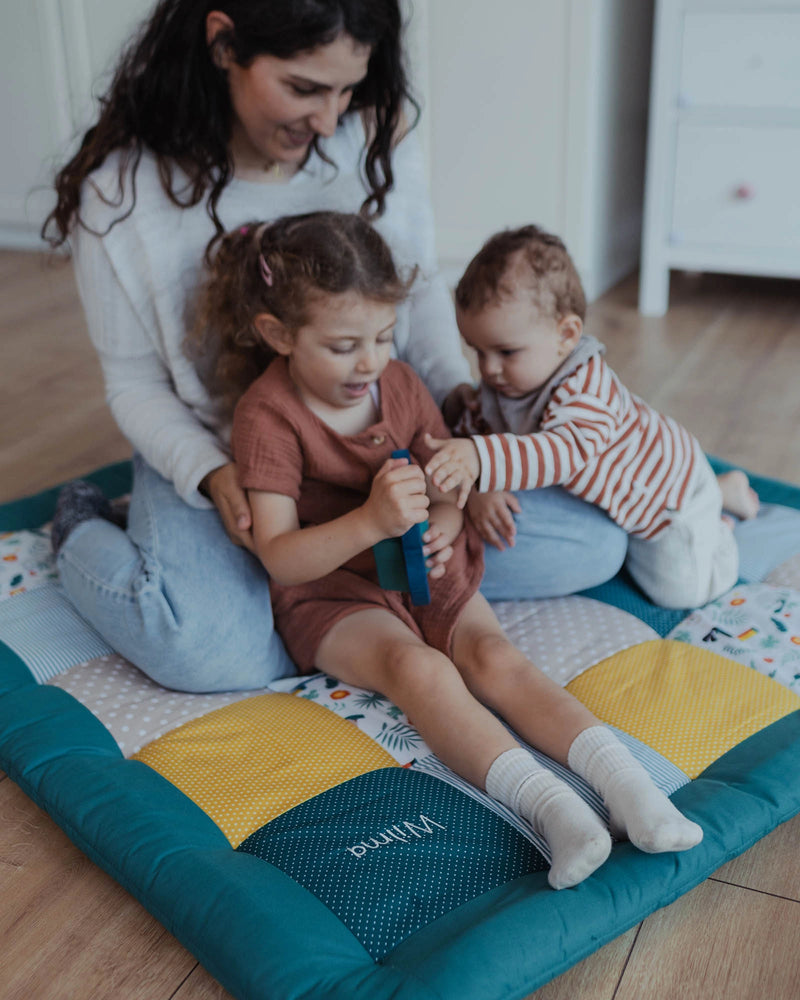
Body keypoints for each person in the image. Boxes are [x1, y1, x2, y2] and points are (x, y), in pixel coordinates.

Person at [43, 0, 626, 693]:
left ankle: (320, 590)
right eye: (304, 88)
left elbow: (423, 290)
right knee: (208, 651)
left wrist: (454, 438)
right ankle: (81, 524)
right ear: (224, 43)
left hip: (370, 447)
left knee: (593, 545)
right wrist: (208, 473)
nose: (328, 120)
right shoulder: (120, 194)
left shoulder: (367, 137)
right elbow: (134, 384)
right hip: (228, 460)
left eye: (347, 88)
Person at [201, 210, 703, 889]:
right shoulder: (268, 416)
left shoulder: (399, 384)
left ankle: (631, 789)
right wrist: (370, 522)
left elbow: (444, 474)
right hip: (332, 592)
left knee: (495, 656)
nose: (370, 361)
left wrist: (444, 514)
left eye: (383, 336)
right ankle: (555, 812)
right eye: (345, 344)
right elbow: (280, 557)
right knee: (422, 672)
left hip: (422, 564)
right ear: (278, 335)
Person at [425, 225, 761, 610]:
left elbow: (562, 453)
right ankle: (722, 489)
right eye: (477, 351)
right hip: (612, 500)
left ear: (566, 335)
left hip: (666, 496)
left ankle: (716, 526)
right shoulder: (502, 385)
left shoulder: (586, 386)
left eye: (506, 352)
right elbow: (477, 426)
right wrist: (479, 485)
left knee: (678, 592)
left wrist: (481, 460)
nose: (488, 368)